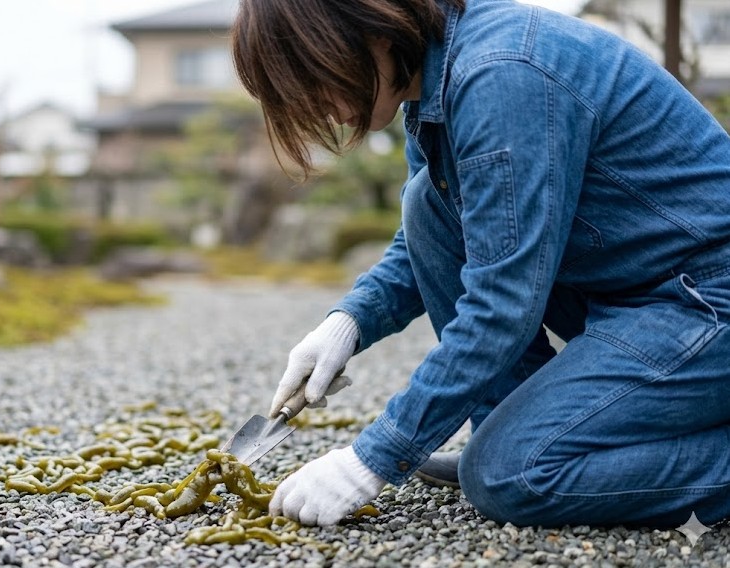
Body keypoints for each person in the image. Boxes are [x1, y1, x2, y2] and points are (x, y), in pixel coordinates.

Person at [231, 0, 730, 528]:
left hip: (705, 299)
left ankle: (515, 452)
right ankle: (506, 431)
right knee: (428, 205)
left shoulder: (501, 76)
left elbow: (503, 301)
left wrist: (371, 459)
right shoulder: (435, 82)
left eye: (315, 81)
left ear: (372, 31)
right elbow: (451, 233)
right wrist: (348, 323)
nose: (322, 111)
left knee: (511, 475)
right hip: (639, 291)